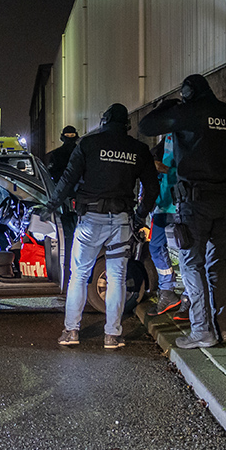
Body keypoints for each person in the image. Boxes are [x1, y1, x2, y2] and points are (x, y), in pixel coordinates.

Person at [139, 73, 226, 349]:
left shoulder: (187, 113)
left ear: (187, 92)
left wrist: (167, 106)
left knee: (191, 264)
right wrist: (223, 152)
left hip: (194, 204)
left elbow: (147, 126)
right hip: (225, 205)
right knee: (217, 265)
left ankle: (202, 331)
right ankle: (225, 329)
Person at [45, 103, 158, 350]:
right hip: (121, 221)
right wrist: (139, 217)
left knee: (79, 275)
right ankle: (112, 335)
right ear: (126, 125)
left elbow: (68, 179)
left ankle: (71, 332)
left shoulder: (88, 144)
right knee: (116, 277)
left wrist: (50, 206)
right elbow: (152, 188)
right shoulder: (138, 150)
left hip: (90, 220)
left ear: (104, 121)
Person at [146, 135, 185, 315]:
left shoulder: (187, 134)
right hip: (164, 201)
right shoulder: (168, 137)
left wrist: (166, 170)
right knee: (155, 246)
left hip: (182, 202)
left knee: (187, 248)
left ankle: (190, 296)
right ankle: (167, 291)